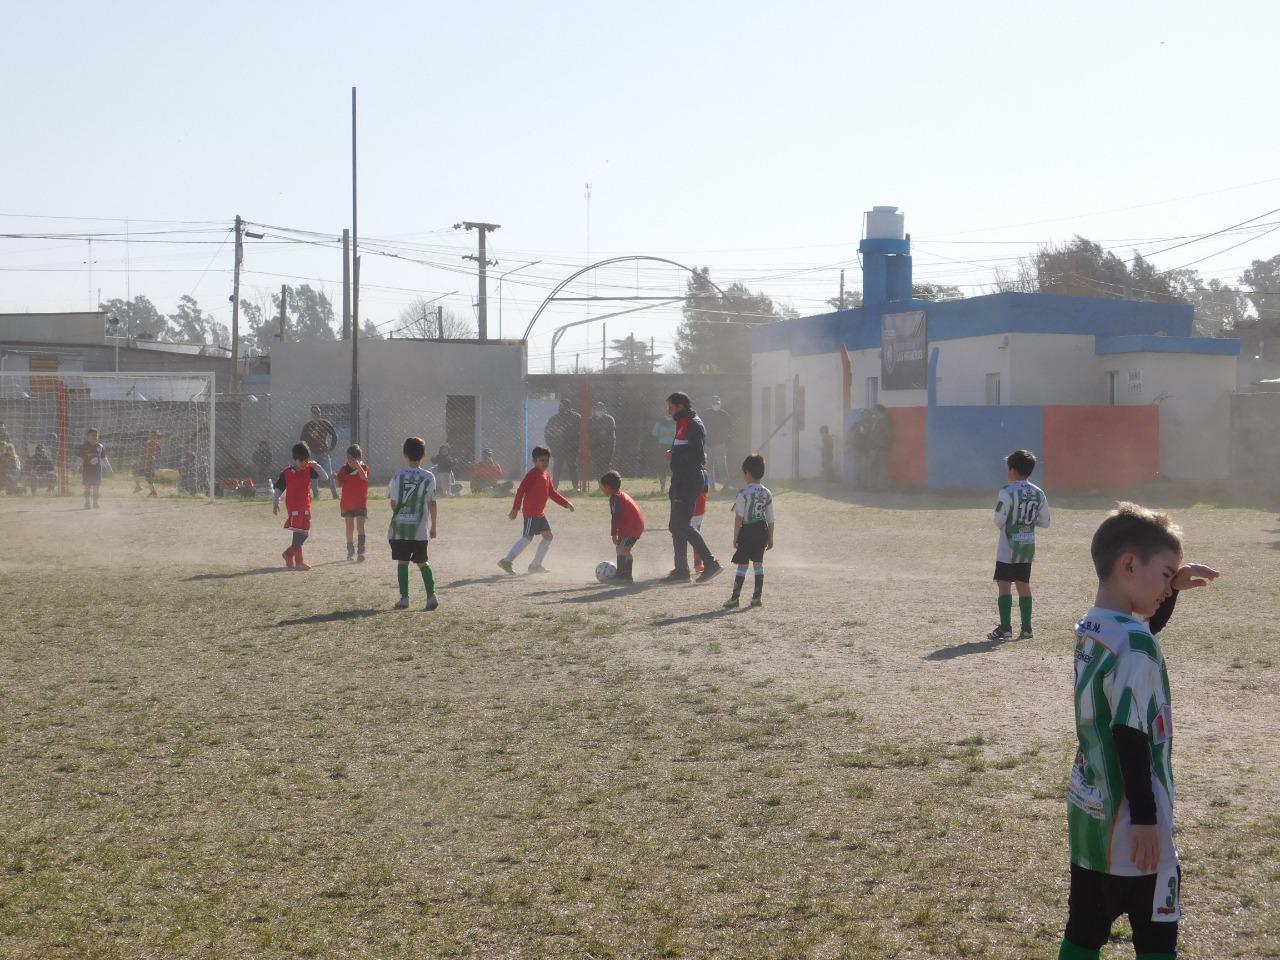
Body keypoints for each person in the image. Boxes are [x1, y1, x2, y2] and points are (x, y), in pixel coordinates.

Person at [1059, 503, 1221, 960]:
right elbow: (1130, 734)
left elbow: (1140, 625)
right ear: (1129, 564)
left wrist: (1170, 589)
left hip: (1092, 811)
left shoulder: (1094, 625)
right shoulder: (1137, 646)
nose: (1169, 587)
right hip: (1135, 826)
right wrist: (1148, 822)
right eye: (1166, 574)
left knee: (1084, 931)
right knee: (1156, 940)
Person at [986, 449, 1051, 641]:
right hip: (1027, 545)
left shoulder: (1007, 491)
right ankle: (1027, 628)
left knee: (1004, 584)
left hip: (1008, 547)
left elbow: (998, 519)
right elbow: (1045, 521)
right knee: (1023, 583)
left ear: (1013, 470)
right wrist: (1027, 524)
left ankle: (1005, 628)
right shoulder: (1039, 493)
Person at [664, 392, 722, 583]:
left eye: (671, 407)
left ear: (680, 406)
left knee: (681, 525)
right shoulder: (682, 422)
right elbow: (686, 449)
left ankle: (711, 563)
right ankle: (681, 571)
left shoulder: (694, 424)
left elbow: (698, 456)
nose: (669, 411)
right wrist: (675, 453)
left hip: (689, 478)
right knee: (675, 525)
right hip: (681, 477)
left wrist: (676, 456)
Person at [498, 445, 574, 575]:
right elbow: (520, 491)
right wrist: (515, 509)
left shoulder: (546, 475)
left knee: (548, 537)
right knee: (527, 537)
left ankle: (535, 565)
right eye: (541, 460)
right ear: (535, 461)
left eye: (546, 460)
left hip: (540, 513)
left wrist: (566, 503)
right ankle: (507, 560)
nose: (545, 463)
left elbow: (552, 493)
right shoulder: (531, 475)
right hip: (531, 513)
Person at [387, 436, 439, 611]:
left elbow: (393, 502)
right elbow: (432, 502)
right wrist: (434, 526)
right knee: (423, 561)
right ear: (424, 455)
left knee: (403, 561)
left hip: (401, 527)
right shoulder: (429, 476)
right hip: (419, 529)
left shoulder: (398, 475)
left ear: (405, 454)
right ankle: (431, 596)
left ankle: (404, 598)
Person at [724, 454, 775, 609]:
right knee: (758, 564)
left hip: (747, 530)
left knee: (742, 565)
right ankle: (756, 597)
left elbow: (739, 517)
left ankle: (735, 598)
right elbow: (771, 518)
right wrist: (771, 538)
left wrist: (735, 536)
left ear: (747, 473)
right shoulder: (767, 493)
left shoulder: (743, 493)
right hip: (762, 530)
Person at [272, 441, 328, 571]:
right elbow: (278, 489)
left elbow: (325, 477)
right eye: (302, 461)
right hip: (294, 509)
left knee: (304, 534)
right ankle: (299, 561)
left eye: (306, 460)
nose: (304, 463)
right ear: (294, 460)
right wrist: (276, 502)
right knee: (298, 533)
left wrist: (317, 466)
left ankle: (288, 554)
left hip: (306, 507)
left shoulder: (309, 469)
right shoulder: (286, 473)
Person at [600, 470, 644, 583]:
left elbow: (616, 517)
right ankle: (624, 576)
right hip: (632, 526)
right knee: (622, 549)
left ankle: (624, 577)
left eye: (602, 487)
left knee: (623, 549)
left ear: (608, 487)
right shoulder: (619, 495)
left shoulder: (616, 498)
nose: (602, 489)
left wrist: (614, 534)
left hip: (632, 527)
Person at [336, 443, 371, 562]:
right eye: (348, 459)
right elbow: (340, 484)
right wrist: (336, 478)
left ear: (359, 458)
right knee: (349, 527)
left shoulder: (364, 468)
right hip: (347, 503)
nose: (349, 461)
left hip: (361, 502)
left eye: (352, 459)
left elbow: (364, 478)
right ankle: (350, 550)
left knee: (360, 525)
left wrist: (357, 466)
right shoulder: (344, 469)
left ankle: (361, 551)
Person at [299, 405, 340, 499]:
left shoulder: (325, 424)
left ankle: (334, 495)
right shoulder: (307, 426)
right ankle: (316, 495)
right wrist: (306, 452)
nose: (316, 414)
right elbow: (302, 440)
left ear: (320, 413)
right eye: (314, 412)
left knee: (329, 473)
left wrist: (331, 447)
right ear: (311, 414)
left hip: (324, 452)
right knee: (313, 475)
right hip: (312, 453)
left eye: (317, 412)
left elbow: (334, 435)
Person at [545, 399, 581, 492]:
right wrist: (551, 445)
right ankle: (554, 487)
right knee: (557, 467)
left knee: (572, 466)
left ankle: (575, 487)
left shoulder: (576, 417)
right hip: (558, 448)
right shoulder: (555, 418)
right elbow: (548, 432)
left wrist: (577, 444)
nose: (561, 408)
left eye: (563, 406)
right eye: (560, 406)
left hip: (571, 447)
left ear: (569, 407)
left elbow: (582, 429)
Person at [702, 395, 732, 491]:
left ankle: (726, 484)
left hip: (720, 444)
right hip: (708, 444)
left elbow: (729, 428)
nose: (716, 405)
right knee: (708, 466)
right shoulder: (706, 413)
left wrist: (724, 438)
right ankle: (712, 486)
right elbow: (701, 426)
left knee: (722, 464)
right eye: (714, 403)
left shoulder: (724, 414)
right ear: (711, 404)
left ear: (720, 403)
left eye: (717, 403)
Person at [78, 428, 110, 510]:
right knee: (87, 486)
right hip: (87, 470)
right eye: (93, 435)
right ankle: (87, 502)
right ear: (88, 436)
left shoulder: (100, 446)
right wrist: (76, 467)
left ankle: (95, 502)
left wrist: (109, 468)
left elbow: (104, 458)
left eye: (96, 435)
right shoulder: (83, 446)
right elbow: (80, 459)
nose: (95, 437)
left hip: (97, 470)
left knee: (96, 487)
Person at [868, 404, 895, 491]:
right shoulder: (876, 420)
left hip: (881, 449)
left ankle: (882, 488)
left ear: (879, 410)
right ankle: (874, 487)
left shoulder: (885, 421)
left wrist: (885, 445)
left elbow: (889, 435)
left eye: (875, 410)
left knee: (882, 469)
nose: (873, 411)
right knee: (874, 469)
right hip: (875, 448)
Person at [588, 401, 616, 480]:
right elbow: (589, 431)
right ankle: (600, 482)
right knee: (597, 463)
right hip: (595, 444)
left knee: (606, 463)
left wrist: (602, 432)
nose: (598, 411)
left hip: (608, 444)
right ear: (594, 410)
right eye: (597, 409)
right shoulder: (591, 419)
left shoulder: (609, 418)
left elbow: (612, 428)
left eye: (600, 409)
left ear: (604, 409)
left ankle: (608, 482)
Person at [651, 411, 676, 493]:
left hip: (673, 446)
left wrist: (672, 433)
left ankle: (674, 487)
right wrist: (662, 433)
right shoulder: (660, 422)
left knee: (673, 467)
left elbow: (680, 433)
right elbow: (654, 433)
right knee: (662, 466)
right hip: (662, 446)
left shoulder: (676, 422)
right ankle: (662, 487)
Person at [691, 469, 710, 574]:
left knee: (694, 536)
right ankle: (698, 564)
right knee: (695, 535)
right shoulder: (704, 472)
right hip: (699, 508)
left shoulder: (697, 472)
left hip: (695, 508)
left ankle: (698, 564)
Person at [849, 410, 873, 489]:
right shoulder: (860, 424)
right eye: (864, 414)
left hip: (865, 449)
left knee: (864, 469)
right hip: (861, 449)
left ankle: (862, 485)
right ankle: (861, 485)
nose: (865, 416)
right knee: (862, 468)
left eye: (867, 414)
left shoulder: (869, 424)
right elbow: (861, 434)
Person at [134, 430, 160, 497]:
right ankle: (139, 487)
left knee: (148, 478)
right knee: (136, 473)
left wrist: (154, 457)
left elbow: (156, 454)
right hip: (145, 462)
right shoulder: (149, 443)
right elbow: (145, 452)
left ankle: (153, 492)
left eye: (153, 436)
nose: (151, 437)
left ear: (156, 436)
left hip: (149, 463)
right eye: (151, 435)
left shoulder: (155, 444)